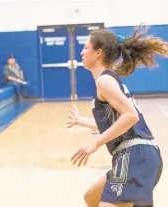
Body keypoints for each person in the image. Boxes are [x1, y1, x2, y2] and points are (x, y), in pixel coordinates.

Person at [68, 26, 167, 207]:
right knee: (92, 197)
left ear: (98, 53)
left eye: (85, 47)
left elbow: (131, 116)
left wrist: (96, 142)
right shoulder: (107, 80)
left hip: (135, 155)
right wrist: (81, 121)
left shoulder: (105, 81)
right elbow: (118, 123)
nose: (81, 52)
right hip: (140, 155)